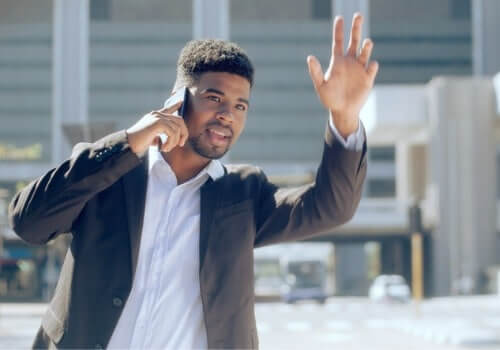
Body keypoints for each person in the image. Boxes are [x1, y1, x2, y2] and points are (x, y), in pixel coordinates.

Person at [9, 13, 377, 349]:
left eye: (239, 106)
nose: (226, 115)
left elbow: (332, 207)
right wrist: (129, 142)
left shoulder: (244, 195)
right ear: (177, 99)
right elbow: (29, 222)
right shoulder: (110, 173)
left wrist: (344, 118)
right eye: (214, 98)